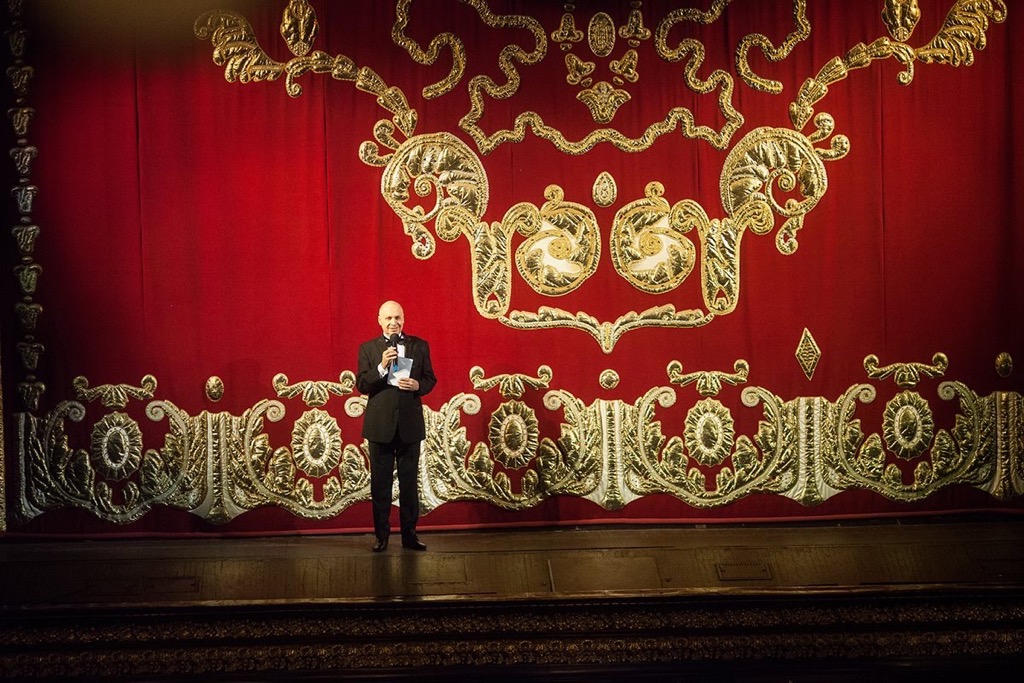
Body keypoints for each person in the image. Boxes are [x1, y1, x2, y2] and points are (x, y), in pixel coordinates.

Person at [356, 300, 437, 552]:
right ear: (379, 320)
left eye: (398, 318)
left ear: (404, 319)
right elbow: (362, 385)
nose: (393, 323)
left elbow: (430, 379)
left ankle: (409, 536)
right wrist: (381, 366)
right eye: (388, 318)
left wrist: (417, 385)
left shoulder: (419, 345)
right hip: (380, 426)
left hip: (409, 424)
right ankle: (381, 536)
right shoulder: (368, 348)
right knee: (380, 485)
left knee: (409, 483)